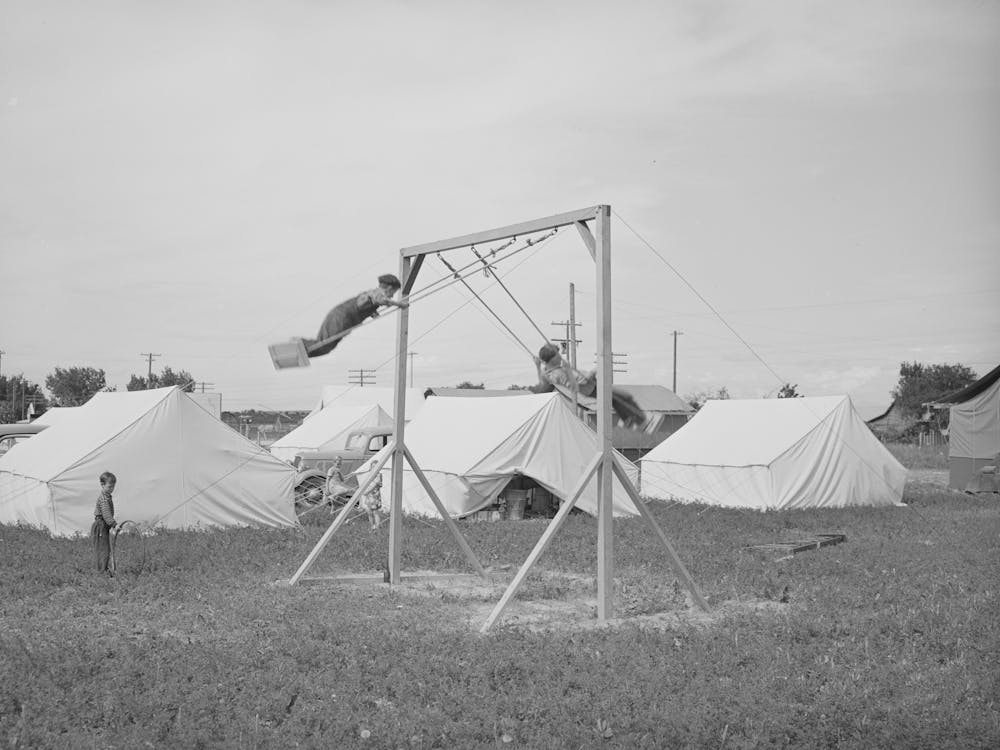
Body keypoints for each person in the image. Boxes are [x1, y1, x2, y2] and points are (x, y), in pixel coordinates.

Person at [530, 343, 647, 428]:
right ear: (551, 359)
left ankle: (630, 420)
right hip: (589, 387)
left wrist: (537, 365)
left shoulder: (550, 371)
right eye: (557, 355)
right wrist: (593, 372)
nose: (560, 357)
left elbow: (542, 379)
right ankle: (640, 420)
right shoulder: (558, 374)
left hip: (591, 386)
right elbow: (575, 386)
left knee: (615, 400)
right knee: (623, 397)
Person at [301, 274, 408, 358]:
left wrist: (372, 312)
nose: (392, 295)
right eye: (393, 292)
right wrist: (399, 304)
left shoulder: (372, 294)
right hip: (341, 317)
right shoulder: (378, 293)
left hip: (342, 318)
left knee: (326, 347)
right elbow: (381, 299)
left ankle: (301, 351)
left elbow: (363, 305)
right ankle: (300, 345)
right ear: (389, 288)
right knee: (324, 345)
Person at [91, 471, 118, 576]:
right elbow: (106, 514)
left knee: (105, 549)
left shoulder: (107, 496)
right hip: (100, 525)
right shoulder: (104, 499)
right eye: (110, 486)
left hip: (103, 525)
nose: (112, 489)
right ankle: (101, 572)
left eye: (113, 487)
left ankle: (104, 570)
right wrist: (114, 524)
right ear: (102, 485)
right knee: (103, 550)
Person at [360, 461, 385, 530]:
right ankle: (372, 526)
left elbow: (378, 485)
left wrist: (367, 491)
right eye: (373, 466)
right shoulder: (369, 475)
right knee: (369, 511)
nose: (374, 468)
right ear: (370, 467)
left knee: (375, 512)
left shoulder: (379, 475)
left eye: (376, 466)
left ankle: (377, 528)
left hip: (375, 495)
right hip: (369, 496)